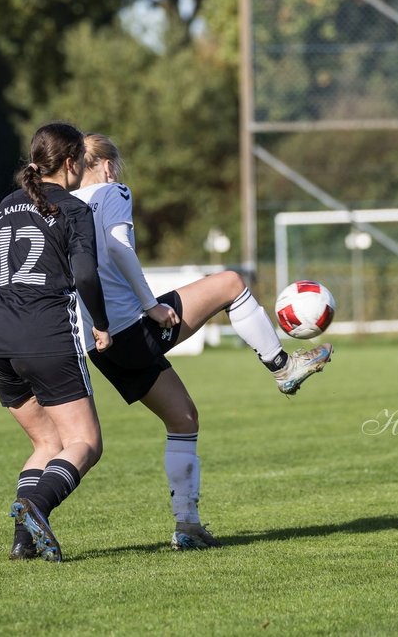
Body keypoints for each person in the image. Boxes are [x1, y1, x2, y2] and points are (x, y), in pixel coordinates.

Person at [73, 133, 332, 551]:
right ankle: (283, 367)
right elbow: (120, 249)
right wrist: (149, 304)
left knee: (184, 419)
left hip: (98, 342)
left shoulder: (66, 206)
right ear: (106, 165)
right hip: (130, 327)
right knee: (230, 283)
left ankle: (187, 527)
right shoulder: (112, 191)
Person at [0, 122, 113, 563]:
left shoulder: (5, 207)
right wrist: (102, 324)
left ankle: (23, 541)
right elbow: (87, 275)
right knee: (85, 442)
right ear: (71, 163)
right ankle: (39, 505)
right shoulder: (73, 209)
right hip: (44, 334)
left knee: (47, 445)